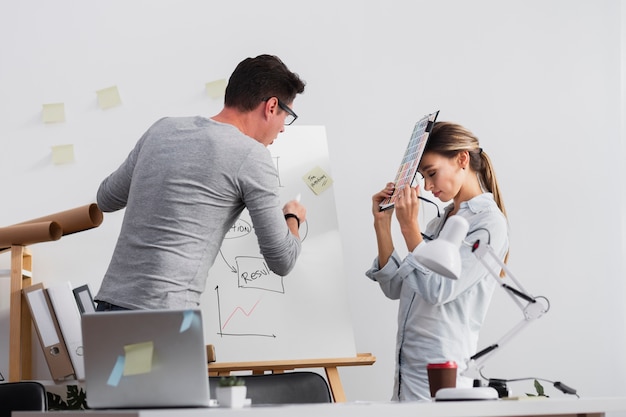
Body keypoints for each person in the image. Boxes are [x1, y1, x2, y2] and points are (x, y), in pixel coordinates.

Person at [94, 54, 307, 311]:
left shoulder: (161, 130)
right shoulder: (251, 156)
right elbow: (282, 260)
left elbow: (106, 198)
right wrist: (292, 218)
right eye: (287, 115)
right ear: (272, 107)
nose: (283, 128)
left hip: (108, 308)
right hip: (164, 316)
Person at [366, 121, 509, 401]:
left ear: (462, 159)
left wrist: (409, 229)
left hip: (444, 370)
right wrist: (383, 225)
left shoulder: (488, 223)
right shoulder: (438, 223)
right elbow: (395, 287)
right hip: (408, 369)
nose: (428, 186)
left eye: (432, 173)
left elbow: (438, 290)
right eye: (423, 176)